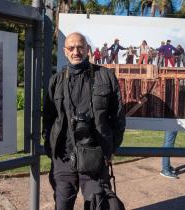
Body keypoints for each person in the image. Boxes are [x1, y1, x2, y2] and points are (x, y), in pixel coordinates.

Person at [43, 32, 126, 210]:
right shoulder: (55, 81)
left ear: (87, 49)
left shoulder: (105, 76)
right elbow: (49, 119)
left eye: (80, 47)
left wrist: (110, 148)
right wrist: (50, 148)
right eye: (71, 48)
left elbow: (118, 116)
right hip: (63, 159)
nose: (76, 52)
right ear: (65, 52)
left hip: (95, 158)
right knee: (62, 205)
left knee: (99, 204)